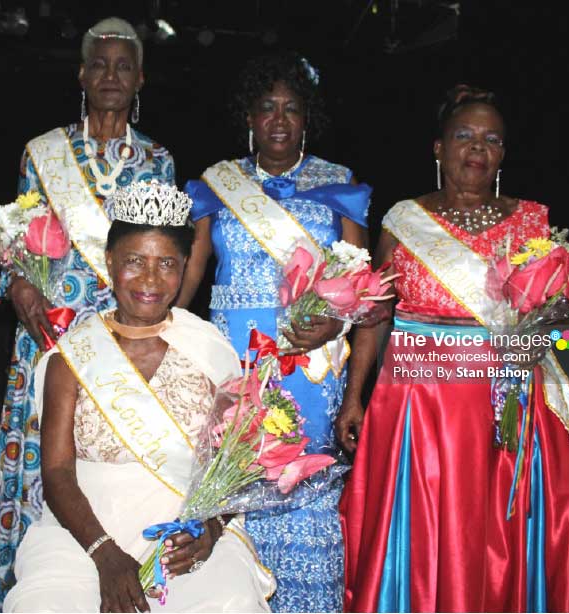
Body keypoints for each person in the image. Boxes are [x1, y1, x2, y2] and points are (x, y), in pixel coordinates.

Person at [337, 85, 569, 612]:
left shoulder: (533, 222)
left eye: (491, 139)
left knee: (498, 533)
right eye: (464, 136)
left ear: (503, 154)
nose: (477, 149)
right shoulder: (402, 219)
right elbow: (376, 313)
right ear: (438, 147)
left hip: (503, 399)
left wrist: (547, 335)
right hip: (417, 403)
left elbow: (560, 322)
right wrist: (355, 396)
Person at [2, 181, 274, 612]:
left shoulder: (209, 348)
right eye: (134, 261)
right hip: (84, 533)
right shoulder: (71, 356)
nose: (150, 279)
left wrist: (212, 527)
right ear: (110, 261)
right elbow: (55, 473)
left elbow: (238, 463)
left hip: (185, 534)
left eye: (166, 263)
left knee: (230, 601)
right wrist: (105, 556)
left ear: (185, 265)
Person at [0, 17, 176, 611]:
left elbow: (164, 258)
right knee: (41, 464)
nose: (109, 75)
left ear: (139, 78)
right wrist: (17, 289)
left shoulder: (158, 158)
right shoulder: (41, 153)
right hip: (49, 336)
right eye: (98, 64)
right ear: (82, 75)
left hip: (122, 345)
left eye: (122, 66)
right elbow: (15, 246)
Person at [178, 53, 371, 612]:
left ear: (307, 118)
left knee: (304, 483)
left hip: (311, 368)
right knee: (228, 481)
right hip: (233, 363)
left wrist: (337, 320)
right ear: (249, 117)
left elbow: (361, 288)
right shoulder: (218, 183)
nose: (279, 119)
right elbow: (190, 273)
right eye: (267, 108)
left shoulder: (339, 184)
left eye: (291, 108)